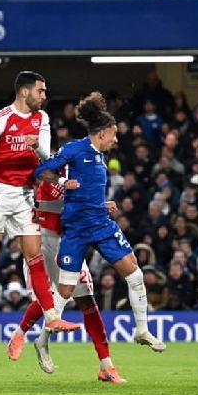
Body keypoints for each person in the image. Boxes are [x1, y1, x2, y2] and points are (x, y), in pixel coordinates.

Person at [34, 92, 166, 361]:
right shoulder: (74, 150)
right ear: (103, 133)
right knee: (66, 292)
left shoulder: (99, 157)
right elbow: (42, 172)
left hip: (102, 224)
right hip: (76, 229)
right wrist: (61, 183)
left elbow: (89, 189)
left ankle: (142, 330)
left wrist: (104, 204)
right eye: (114, 134)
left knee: (135, 275)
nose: (116, 140)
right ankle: (42, 341)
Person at [0, 71, 79, 340]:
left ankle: (52, 317)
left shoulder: (42, 119)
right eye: (41, 91)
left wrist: (37, 148)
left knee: (35, 256)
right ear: (24, 92)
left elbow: (46, 157)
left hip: (25, 195)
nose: (44, 96)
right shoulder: (0, 119)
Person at [7, 176, 126, 383]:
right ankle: (20, 334)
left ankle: (106, 366)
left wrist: (98, 207)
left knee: (88, 301)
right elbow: (54, 211)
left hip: (71, 245)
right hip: (45, 244)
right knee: (49, 300)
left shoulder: (79, 177)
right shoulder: (50, 180)